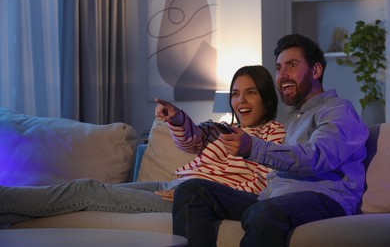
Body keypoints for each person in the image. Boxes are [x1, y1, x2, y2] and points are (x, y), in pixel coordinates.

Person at [0, 65, 285, 228]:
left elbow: (263, 185)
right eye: (235, 94)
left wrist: (199, 195)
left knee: (86, 191)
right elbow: (192, 139)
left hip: (191, 198)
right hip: (170, 185)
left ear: (266, 97)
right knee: (83, 190)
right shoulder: (222, 129)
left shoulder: (277, 135)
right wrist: (175, 116)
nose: (241, 101)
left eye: (250, 93)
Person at [171, 34, 369, 247]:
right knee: (192, 191)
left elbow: (316, 157)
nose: (282, 75)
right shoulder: (294, 118)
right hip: (274, 198)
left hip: (325, 199)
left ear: (316, 71)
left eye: (291, 65)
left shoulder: (338, 110)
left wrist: (252, 148)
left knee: (264, 213)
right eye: (278, 68)